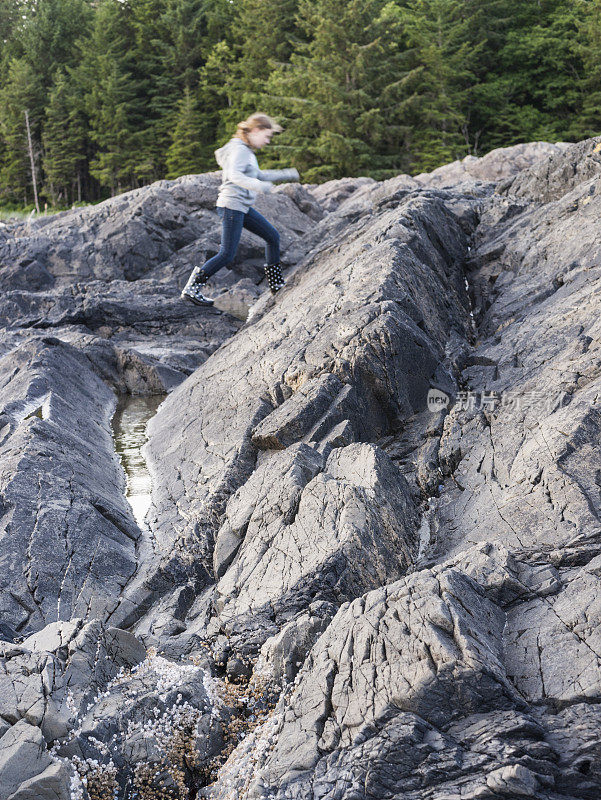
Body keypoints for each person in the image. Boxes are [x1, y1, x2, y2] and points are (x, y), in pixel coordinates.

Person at [181, 112, 300, 306]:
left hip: (241, 207)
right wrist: (259, 187)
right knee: (227, 253)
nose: (268, 141)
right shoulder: (240, 150)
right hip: (231, 206)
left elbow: (259, 174)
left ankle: (276, 285)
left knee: (272, 237)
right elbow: (234, 175)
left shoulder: (245, 150)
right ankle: (192, 289)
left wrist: (285, 174)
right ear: (255, 130)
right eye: (266, 136)